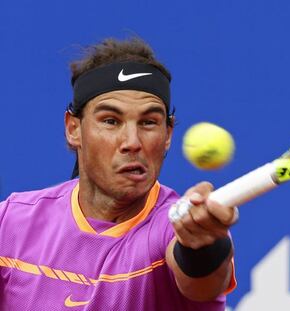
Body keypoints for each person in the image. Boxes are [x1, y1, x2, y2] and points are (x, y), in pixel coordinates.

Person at [0, 37, 238, 310]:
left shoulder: (175, 227)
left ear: (168, 134)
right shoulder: (11, 224)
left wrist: (202, 245)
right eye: (111, 121)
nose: (132, 142)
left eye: (149, 123)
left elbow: (202, 283)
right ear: (73, 129)